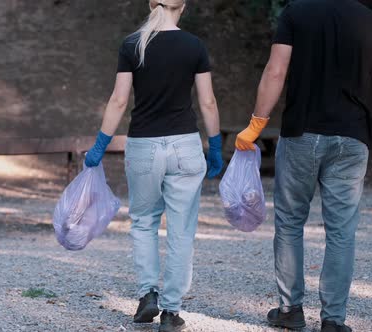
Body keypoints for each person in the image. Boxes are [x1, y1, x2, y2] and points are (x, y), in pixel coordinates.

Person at [84, 1, 222, 331]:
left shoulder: (133, 44)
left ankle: (148, 295)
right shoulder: (194, 46)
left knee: (144, 221)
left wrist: (101, 144)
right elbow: (207, 101)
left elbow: (119, 100)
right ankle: (171, 312)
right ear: (183, 6)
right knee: (181, 229)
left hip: (144, 145)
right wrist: (215, 147)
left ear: (151, 3)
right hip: (185, 146)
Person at [235, 1, 372, 331]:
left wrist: (256, 124)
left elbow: (276, 71)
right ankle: (334, 320)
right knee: (341, 230)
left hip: (301, 133)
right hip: (353, 136)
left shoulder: (296, 12)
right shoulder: (367, 16)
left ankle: (290, 310)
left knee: (290, 221)